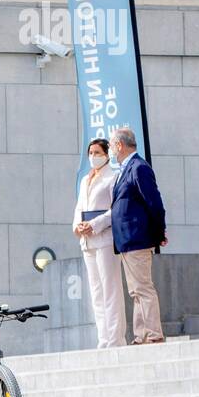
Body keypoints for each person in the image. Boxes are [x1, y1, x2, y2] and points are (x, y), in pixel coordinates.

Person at [109, 127, 167, 345]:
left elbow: (154, 202)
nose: (112, 150)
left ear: (120, 145)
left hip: (137, 239)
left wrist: (159, 231)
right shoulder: (126, 169)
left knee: (143, 288)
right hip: (127, 241)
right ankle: (141, 334)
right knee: (135, 291)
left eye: (112, 145)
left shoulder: (139, 167)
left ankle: (154, 334)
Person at [72, 137, 126, 349]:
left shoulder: (113, 178)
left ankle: (115, 339)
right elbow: (79, 207)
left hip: (105, 239)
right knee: (96, 292)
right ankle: (103, 338)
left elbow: (116, 210)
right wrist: (78, 225)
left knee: (110, 289)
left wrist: (94, 224)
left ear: (106, 154)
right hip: (87, 242)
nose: (93, 157)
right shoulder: (86, 179)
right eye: (91, 153)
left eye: (97, 152)